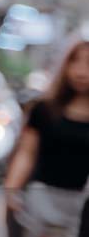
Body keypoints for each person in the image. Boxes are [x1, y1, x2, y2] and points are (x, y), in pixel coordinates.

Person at [5, 39, 89, 221]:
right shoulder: (44, 110)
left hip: (81, 207)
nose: (81, 71)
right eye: (75, 61)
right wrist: (12, 188)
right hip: (42, 200)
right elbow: (26, 154)